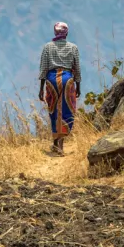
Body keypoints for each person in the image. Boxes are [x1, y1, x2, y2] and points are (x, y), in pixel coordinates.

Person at [38, 21, 81, 155]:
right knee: (66, 110)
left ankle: (56, 143)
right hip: (67, 80)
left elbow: (43, 68)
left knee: (54, 109)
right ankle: (60, 144)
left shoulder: (47, 47)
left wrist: (41, 88)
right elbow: (77, 68)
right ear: (66, 33)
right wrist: (78, 85)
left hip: (51, 81)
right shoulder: (73, 48)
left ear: (55, 32)